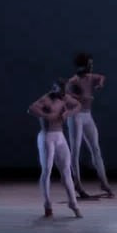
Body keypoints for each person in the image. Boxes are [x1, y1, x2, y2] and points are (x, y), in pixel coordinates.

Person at [29, 80, 84, 218]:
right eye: (61, 90)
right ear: (54, 89)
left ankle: (73, 203)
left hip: (60, 136)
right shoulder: (46, 99)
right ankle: (47, 204)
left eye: (64, 91)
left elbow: (78, 105)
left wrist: (68, 113)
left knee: (66, 170)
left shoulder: (64, 97)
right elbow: (31, 109)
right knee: (47, 170)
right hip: (47, 137)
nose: (63, 94)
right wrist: (47, 116)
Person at [65, 52, 113, 198]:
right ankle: (77, 184)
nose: (91, 66)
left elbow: (101, 77)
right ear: (82, 65)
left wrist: (100, 84)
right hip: (75, 116)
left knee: (95, 148)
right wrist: (81, 97)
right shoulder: (73, 81)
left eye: (91, 64)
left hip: (87, 115)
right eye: (89, 64)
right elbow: (66, 97)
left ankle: (104, 182)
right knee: (75, 150)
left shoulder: (90, 77)